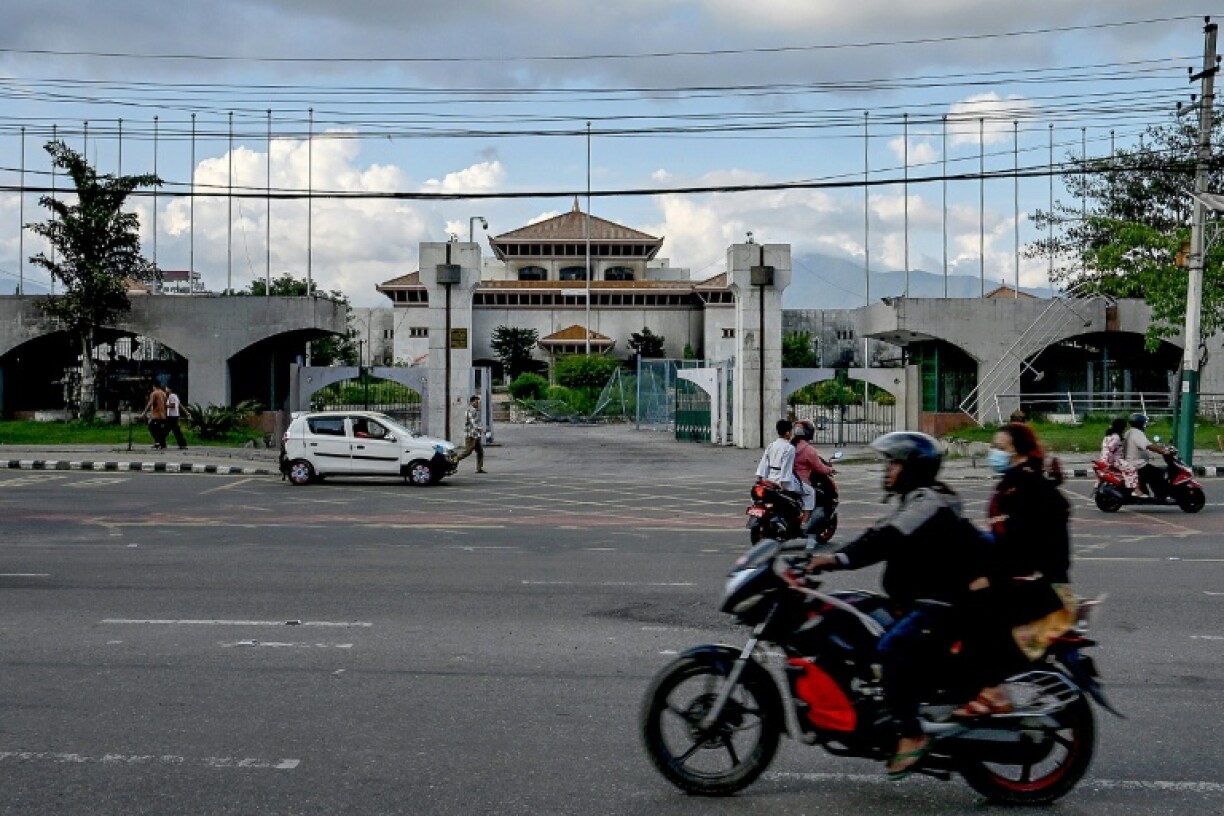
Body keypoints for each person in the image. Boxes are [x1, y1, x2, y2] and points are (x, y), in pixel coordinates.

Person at [807, 432, 988, 780]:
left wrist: (834, 561)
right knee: (854, 616)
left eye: (894, 462)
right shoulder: (914, 499)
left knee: (891, 650)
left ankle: (911, 733)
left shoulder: (929, 502)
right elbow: (877, 532)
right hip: (919, 601)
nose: (887, 470)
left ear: (913, 467)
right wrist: (823, 556)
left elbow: (884, 540)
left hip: (941, 606)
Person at [954, 422, 1075, 718]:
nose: (993, 453)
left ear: (1019, 453)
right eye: (994, 447)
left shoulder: (1027, 487)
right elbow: (1002, 541)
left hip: (1041, 587)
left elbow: (1022, 548)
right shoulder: (1012, 483)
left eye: (1000, 448)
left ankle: (992, 692)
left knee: (972, 612)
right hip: (1027, 579)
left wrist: (988, 577)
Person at [790, 419, 834, 540]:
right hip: (800, 481)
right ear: (809, 432)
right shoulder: (808, 450)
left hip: (785, 479)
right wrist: (830, 470)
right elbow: (819, 468)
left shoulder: (790, 446)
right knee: (811, 493)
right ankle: (805, 522)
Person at [1122, 413, 1172, 498]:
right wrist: (1162, 451)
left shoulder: (1129, 432)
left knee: (1152, 472)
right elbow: (1147, 445)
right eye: (1144, 423)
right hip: (1137, 464)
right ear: (1141, 423)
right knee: (1158, 473)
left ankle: (1144, 489)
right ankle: (1162, 495)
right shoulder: (1137, 433)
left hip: (1131, 462)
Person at [755, 419, 798, 492]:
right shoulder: (789, 448)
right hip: (783, 482)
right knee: (810, 491)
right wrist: (783, 484)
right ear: (787, 433)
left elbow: (763, 463)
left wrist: (759, 478)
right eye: (791, 431)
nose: (791, 434)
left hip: (770, 480)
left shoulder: (771, 446)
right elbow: (786, 467)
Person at [1099, 416, 1137, 493]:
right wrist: (1108, 464)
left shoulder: (1108, 436)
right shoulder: (1116, 438)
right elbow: (1109, 451)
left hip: (1107, 459)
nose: (1125, 429)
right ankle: (1134, 489)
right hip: (1115, 460)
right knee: (1131, 469)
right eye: (1124, 427)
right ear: (1121, 427)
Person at [455, 395, 487, 473]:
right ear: (472, 402)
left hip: (476, 435)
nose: (477, 403)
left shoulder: (476, 411)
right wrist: (480, 429)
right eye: (476, 402)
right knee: (467, 452)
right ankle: (455, 459)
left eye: (478, 402)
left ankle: (479, 468)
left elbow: (477, 422)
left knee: (480, 451)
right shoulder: (469, 411)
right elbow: (472, 422)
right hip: (470, 435)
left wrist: (479, 429)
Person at [139, 382, 168, 450]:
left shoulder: (154, 393)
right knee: (160, 429)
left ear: (154, 386)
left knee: (151, 427)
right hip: (163, 415)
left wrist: (144, 413)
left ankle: (157, 442)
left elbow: (150, 404)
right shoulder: (163, 393)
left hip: (156, 415)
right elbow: (166, 404)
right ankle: (162, 444)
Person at [164, 385, 188, 451]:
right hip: (175, 415)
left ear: (170, 389)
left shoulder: (171, 396)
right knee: (175, 430)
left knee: (166, 430)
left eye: (167, 388)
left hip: (172, 416)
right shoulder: (175, 396)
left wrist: (165, 405)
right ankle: (182, 444)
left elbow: (173, 405)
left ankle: (161, 442)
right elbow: (180, 405)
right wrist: (186, 412)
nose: (166, 389)